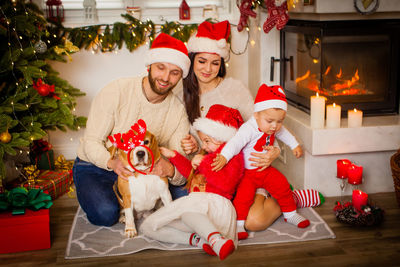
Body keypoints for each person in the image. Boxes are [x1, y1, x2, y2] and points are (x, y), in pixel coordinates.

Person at [175, 20, 309, 232]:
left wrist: (275, 151)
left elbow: (265, 126)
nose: (208, 69)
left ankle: (289, 198)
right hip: (208, 173)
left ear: (222, 65)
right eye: (202, 61)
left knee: (253, 222)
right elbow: (178, 137)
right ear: (192, 60)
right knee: (202, 218)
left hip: (244, 170)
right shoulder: (180, 92)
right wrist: (188, 145)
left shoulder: (235, 90)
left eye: (215, 63)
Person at [73, 33, 191, 226]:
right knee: (105, 213)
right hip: (99, 165)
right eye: (161, 68)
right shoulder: (116, 91)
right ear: (149, 66)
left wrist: (170, 170)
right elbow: (91, 142)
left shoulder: (177, 111)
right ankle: (115, 200)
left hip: (145, 170)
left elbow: (180, 160)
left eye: (174, 72)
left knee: (188, 199)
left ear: (181, 76)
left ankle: (135, 203)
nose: (165, 77)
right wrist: (112, 162)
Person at [141, 104, 245, 260]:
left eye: (207, 141)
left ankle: (216, 240)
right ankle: (199, 240)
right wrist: (173, 155)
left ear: (222, 139)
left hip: (214, 205)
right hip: (196, 203)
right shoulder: (207, 155)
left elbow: (226, 184)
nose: (203, 146)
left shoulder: (233, 157)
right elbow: (192, 174)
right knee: (148, 226)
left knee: (189, 213)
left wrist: (204, 163)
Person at [213, 84, 310, 240]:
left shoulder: (275, 126)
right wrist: (224, 156)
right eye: (270, 121)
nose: (275, 126)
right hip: (248, 174)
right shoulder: (248, 128)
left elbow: (285, 134)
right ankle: (239, 224)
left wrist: (295, 145)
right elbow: (235, 143)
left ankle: (290, 213)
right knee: (243, 198)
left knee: (282, 185)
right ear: (256, 114)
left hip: (265, 170)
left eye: (280, 121)